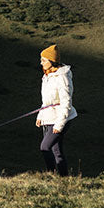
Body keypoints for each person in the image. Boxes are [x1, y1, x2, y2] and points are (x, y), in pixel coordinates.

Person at [35, 44, 77, 176]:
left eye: (44, 60)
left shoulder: (62, 78)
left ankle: (50, 175)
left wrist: (59, 125)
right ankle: (64, 179)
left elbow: (66, 102)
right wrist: (40, 116)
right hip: (48, 118)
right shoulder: (47, 76)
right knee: (56, 151)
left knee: (44, 147)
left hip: (60, 118)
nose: (41, 62)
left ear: (52, 61)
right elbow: (46, 101)